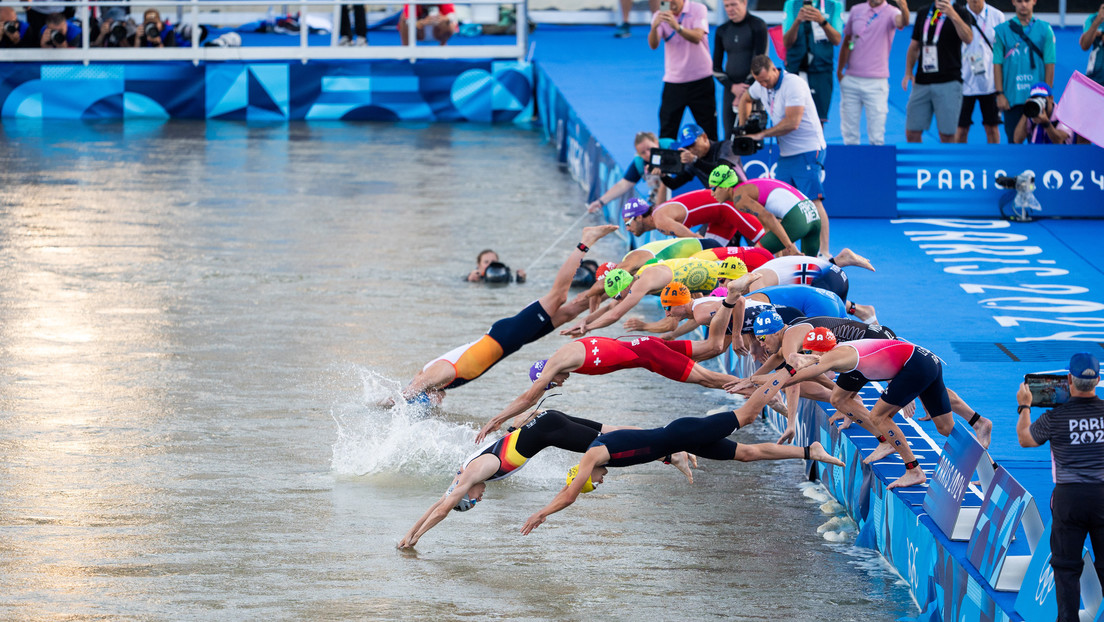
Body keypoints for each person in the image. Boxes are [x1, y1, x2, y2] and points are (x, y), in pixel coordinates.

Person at [519, 368, 846, 534]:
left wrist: (542, 513)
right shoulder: (608, 455)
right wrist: (671, 456)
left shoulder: (594, 456)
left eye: (594, 482)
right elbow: (640, 443)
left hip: (683, 431)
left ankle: (789, 370)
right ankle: (809, 451)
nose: (599, 483)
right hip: (680, 441)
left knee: (747, 415)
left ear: (587, 473)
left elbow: (569, 495)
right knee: (746, 454)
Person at [480, 286, 749, 441]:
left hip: (648, 355)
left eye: (552, 385)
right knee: (708, 349)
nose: (559, 384)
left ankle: (760, 391)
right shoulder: (566, 356)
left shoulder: (558, 362)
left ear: (547, 376)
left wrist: (497, 419)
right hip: (643, 346)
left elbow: (529, 397)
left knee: (707, 378)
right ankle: (733, 312)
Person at [397, 409, 691, 548]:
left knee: (611, 448)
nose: (479, 500)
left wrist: (418, 537)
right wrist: (408, 535)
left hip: (550, 430)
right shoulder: (463, 476)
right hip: (547, 421)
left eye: (472, 502)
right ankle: (671, 442)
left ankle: (671, 453)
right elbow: (442, 499)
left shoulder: (477, 471)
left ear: (467, 493)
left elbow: (444, 507)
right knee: (609, 431)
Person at [394, 225, 617, 404]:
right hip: (510, 342)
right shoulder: (439, 384)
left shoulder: (433, 374)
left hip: (504, 336)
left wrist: (389, 405)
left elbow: (405, 395)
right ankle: (623, 281)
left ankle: (586, 240)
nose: (435, 402)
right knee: (570, 311)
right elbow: (431, 397)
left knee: (558, 297)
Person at [785, 332, 984, 489]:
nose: (806, 357)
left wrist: (768, 384)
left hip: (915, 365)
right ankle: (988, 472)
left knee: (879, 416)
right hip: (926, 358)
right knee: (945, 428)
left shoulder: (834, 357)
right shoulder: (839, 351)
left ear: (819, 352)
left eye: (808, 353)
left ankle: (913, 470)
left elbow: (800, 376)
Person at [1016, 352, 1104, 622]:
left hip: (1069, 499)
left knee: (1066, 570)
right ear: (1098, 380)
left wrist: (1025, 406)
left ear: (1068, 380)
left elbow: (1026, 440)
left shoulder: (1056, 417)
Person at [738, 56, 831, 258]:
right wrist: (744, 128)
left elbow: (792, 123)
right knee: (779, 205)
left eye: (766, 80)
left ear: (774, 69)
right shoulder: (761, 84)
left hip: (808, 149)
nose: (763, 85)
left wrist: (761, 134)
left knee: (813, 202)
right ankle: (788, 254)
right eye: (759, 82)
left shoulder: (794, 84)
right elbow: (746, 97)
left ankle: (823, 251)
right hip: (786, 153)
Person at [708, 164, 824, 258]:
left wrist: (790, 247)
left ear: (726, 187)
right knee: (812, 269)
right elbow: (767, 224)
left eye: (713, 188)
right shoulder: (749, 187)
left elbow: (768, 217)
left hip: (798, 218)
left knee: (754, 256)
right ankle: (840, 260)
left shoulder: (739, 198)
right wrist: (780, 253)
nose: (711, 193)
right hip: (812, 213)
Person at [838, 0, 910, 145]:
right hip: (851, 79)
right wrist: (840, 71)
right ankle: (852, 166)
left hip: (876, 82)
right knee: (849, 134)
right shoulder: (856, 10)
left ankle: (876, 166)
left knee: (876, 135)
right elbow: (847, 41)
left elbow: (902, 22)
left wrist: (904, 7)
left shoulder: (891, 12)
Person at [902, 0, 975, 143]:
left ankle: (947, 165)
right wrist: (908, 72)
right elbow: (914, 45)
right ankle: (918, 164)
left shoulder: (961, 12)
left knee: (947, 135)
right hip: (922, 81)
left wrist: (952, 15)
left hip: (949, 81)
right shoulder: (924, 12)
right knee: (911, 131)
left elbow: (968, 38)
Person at [648, 0, 717, 142]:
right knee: (667, 132)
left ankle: (711, 163)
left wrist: (676, 27)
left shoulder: (698, 9)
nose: (670, 2)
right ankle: (667, 163)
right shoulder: (660, 14)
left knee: (708, 129)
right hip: (674, 81)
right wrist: (654, 28)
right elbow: (653, 45)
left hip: (701, 79)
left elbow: (697, 37)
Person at [993, 0, 1056, 142]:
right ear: (1013, 2)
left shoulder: (1045, 29)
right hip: (1011, 98)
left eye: (1027, 0)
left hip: (1038, 97)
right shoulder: (1002, 31)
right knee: (1014, 143)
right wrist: (1000, 94)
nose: (1023, 5)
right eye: (1019, 1)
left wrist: (1047, 96)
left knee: (1039, 144)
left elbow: (1050, 64)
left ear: (1034, 1)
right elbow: (997, 64)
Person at [623, 191, 764, 249]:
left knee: (768, 242)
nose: (627, 229)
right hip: (718, 219)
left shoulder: (660, 221)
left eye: (628, 223)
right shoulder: (660, 215)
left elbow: (696, 238)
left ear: (639, 217)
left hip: (728, 206)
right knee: (711, 258)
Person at [781, 0, 844, 123]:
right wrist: (797, 21)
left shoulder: (834, 4)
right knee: (791, 118)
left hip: (821, 70)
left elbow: (836, 40)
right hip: (796, 69)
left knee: (818, 119)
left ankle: (816, 143)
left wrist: (822, 21)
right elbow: (787, 42)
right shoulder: (792, 4)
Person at [713, 0, 769, 138]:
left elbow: (760, 62)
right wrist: (733, 87)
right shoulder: (722, 30)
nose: (730, 9)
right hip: (730, 90)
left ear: (744, 3)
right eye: (726, 6)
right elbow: (715, 68)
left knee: (751, 134)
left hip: (753, 88)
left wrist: (744, 91)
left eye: (733, 4)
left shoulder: (757, 25)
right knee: (729, 134)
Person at [955, 0, 1005, 144]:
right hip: (963, 82)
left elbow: (1002, 52)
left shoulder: (997, 16)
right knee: (961, 129)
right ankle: (959, 162)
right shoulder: (958, 15)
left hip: (990, 83)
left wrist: (1001, 87)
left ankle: (994, 163)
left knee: (992, 128)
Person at [587, 132, 671, 213]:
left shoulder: (670, 148)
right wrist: (601, 202)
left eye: (649, 149)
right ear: (639, 154)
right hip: (660, 195)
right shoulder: (640, 162)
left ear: (656, 142)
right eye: (643, 153)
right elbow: (623, 184)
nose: (648, 154)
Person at [660, 122, 748, 191]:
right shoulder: (694, 160)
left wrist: (695, 161)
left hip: (740, 192)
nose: (691, 150)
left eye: (692, 144)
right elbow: (675, 184)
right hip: (720, 201)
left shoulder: (726, 146)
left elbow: (722, 172)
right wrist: (662, 175)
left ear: (704, 137)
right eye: (687, 147)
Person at [1080, 3, 1104, 87]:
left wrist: (1100, 34)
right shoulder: (1093, 18)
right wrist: (1097, 21)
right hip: (1096, 78)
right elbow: (1084, 45)